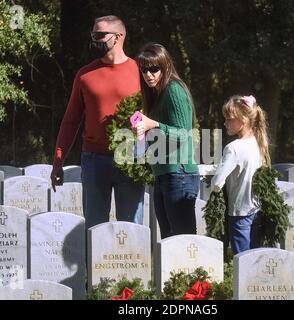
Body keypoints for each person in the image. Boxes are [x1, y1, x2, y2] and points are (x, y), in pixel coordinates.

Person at [50, 15, 144, 229]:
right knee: (95, 228)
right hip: (93, 160)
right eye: (93, 35)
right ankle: (93, 265)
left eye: (100, 35)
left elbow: (154, 115)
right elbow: (70, 121)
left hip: (130, 159)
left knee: (131, 229)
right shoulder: (85, 75)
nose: (94, 40)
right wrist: (58, 160)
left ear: (118, 37)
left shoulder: (140, 72)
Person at [134, 43, 200, 239]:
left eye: (154, 69)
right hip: (163, 174)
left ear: (166, 66)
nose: (148, 74)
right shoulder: (157, 95)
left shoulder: (174, 89)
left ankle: (193, 271)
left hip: (179, 174)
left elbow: (183, 134)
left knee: (182, 241)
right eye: (144, 69)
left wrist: (152, 124)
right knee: (169, 241)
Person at [211, 95, 271, 255]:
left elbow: (217, 183)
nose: (225, 123)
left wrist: (214, 191)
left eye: (229, 119)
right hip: (257, 209)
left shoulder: (233, 148)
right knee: (254, 257)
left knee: (241, 259)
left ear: (243, 120)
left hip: (238, 212)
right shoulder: (259, 143)